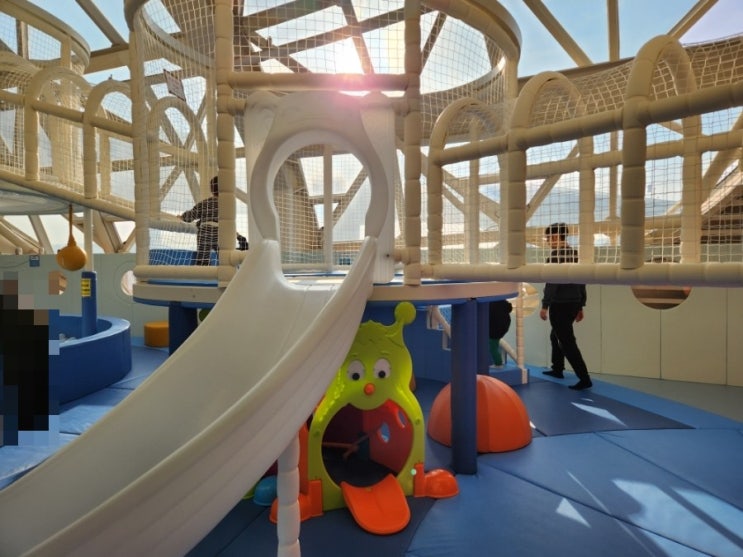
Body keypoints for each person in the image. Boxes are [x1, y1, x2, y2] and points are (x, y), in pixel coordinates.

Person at [539, 222, 592, 390]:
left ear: (556, 237)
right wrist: (580, 305)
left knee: (567, 341)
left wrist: (545, 305)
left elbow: (552, 283)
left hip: (560, 305)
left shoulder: (556, 256)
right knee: (555, 336)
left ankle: (584, 378)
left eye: (549, 238)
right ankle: (557, 369)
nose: (548, 241)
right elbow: (582, 282)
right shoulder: (576, 254)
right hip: (573, 304)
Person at [181, 176, 219, 265]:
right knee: (225, 258)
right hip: (221, 233)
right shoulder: (228, 204)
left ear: (211, 189)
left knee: (203, 260)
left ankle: (204, 271)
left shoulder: (205, 203)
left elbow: (190, 216)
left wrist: (182, 216)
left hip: (205, 233)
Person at [488, 299, 512, 367]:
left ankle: (498, 363)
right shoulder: (503, 302)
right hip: (503, 327)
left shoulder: (491, 303)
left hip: (495, 328)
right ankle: (498, 363)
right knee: (494, 345)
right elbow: (509, 309)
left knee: (493, 347)